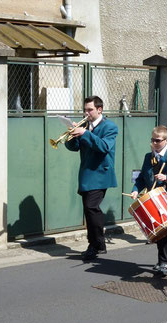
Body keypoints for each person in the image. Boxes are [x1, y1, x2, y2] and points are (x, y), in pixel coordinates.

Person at [66, 96, 118, 262]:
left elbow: (103, 147)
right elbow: (74, 148)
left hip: (101, 174)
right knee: (89, 210)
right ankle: (99, 244)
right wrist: (71, 136)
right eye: (85, 109)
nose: (86, 113)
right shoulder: (85, 126)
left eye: (90, 110)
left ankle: (94, 244)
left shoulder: (110, 127)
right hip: (86, 174)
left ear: (99, 110)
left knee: (91, 207)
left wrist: (85, 133)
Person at [131, 126, 167, 276]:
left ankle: (165, 263)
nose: (154, 143)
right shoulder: (148, 157)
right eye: (152, 140)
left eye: (158, 140)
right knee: (158, 233)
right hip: (153, 200)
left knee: (165, 233)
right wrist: (136, 189)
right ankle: (161, 261)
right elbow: (143, 178)